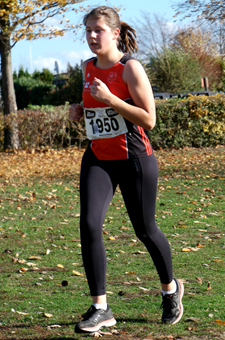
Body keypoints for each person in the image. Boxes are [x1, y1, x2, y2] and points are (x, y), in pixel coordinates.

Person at [69, 5, 184, 334]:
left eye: (98, 30)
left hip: (134, 158)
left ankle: (170, 289)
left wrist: (111, 100)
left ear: (114, 33)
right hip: (98, 157)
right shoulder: (87, 67)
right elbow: (94, 111)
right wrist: (79, 110)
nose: (92, 36)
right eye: (88, 30)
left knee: (145, 229)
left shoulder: (129, 68)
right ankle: (100, 308)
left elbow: (149, 119)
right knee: (89, 224)